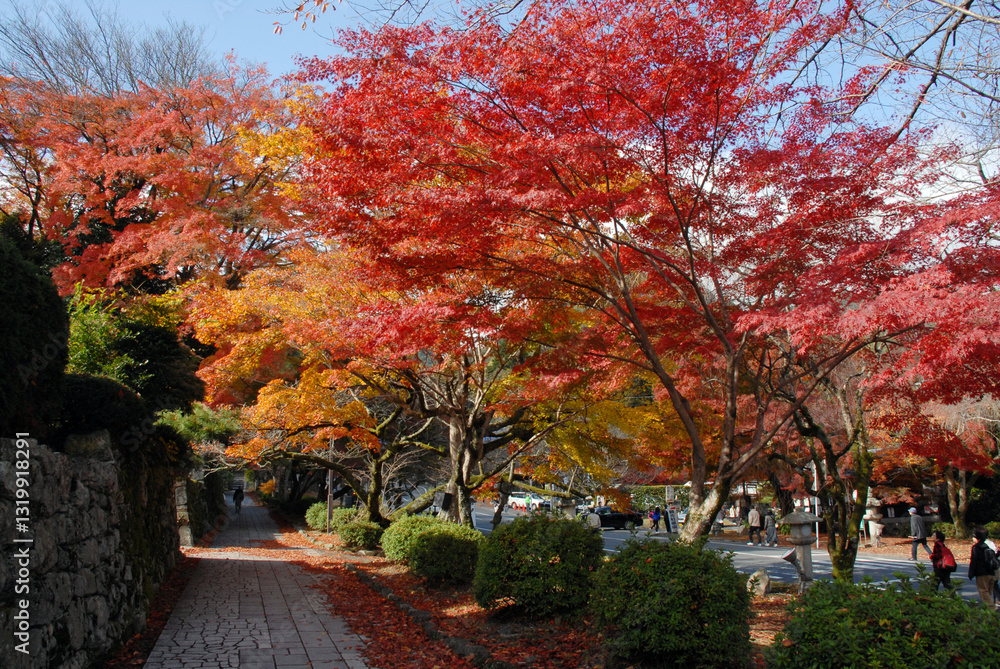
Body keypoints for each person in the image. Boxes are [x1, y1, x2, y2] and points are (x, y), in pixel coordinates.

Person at [968, 528, 998, 609]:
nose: (973, 538)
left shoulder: (976, 548)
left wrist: (971, 573)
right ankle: (988, 609)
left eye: (974, 537)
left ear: (978, 538)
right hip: (991, 572)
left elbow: (974, 561)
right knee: (989, 591)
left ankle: (992, 607)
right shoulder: (988, 547)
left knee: (983, 591)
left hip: (982, 573)